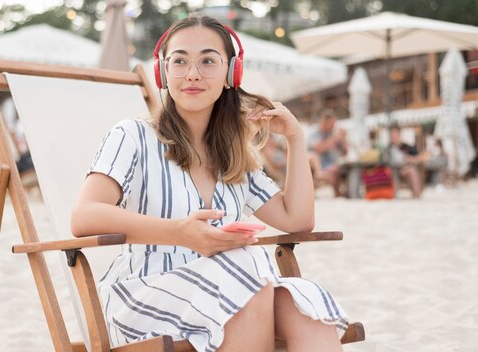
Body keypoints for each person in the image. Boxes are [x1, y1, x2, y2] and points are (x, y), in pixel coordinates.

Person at [71, 14, 348, 352]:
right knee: (249, 268)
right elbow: (84, 216)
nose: (192, 74)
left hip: (226, 291)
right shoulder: (134, 136)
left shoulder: (234, 157)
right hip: (144, 298)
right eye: (180, 61)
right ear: (163, 72)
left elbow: (298, 220)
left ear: (231, 73)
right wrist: (180, 233)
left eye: (207, 61)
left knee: (306, 306)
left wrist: (296, 138)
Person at [307, 110, 348, 196]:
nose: (333, 125)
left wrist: (343, 139)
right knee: (313, 156)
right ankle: (320, 174)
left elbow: (345, 152)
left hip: (332, 166)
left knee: (339, 168)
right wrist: (335, 138)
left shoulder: (334, 135)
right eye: (331, 123)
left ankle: (339, 192)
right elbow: (319, 148)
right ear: (323, 122)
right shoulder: (314, 134)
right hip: (317, 166)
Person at [388, 126, 426, 198]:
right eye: (392, 135)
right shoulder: (389, 148)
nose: (393, 137)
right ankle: (391, 195)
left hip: (404, 169)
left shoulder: (406, 147)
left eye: (394, 135)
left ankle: (416, 195)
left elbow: (421, 157)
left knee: (411, 170)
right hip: (391, 170)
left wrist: (410, 159)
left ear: (399, 135)